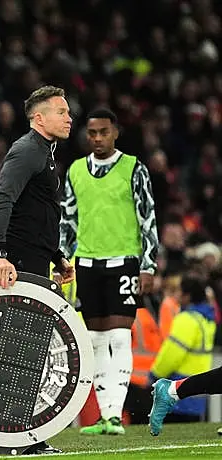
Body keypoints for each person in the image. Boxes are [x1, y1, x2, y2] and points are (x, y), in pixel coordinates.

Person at [58, 108, 160, 435]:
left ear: (115, 132)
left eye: (104, 132)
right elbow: (68, 221)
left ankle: (116, 413)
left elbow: (148, 218)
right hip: (87, 262)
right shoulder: (75, 170)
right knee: (95, 340)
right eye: (92, 133)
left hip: (124, 261)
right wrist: (63, 259)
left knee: (119, 335)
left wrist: (148, 264)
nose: (98, 138)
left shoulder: (134, 168)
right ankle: (105, 416)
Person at [0, 85, 74, 455]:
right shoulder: (26, 151)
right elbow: (3, 198)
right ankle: (16, 434)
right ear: (39, 118)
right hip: (19, 260)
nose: (69, 118)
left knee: (30, 348)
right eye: (60, 111)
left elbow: (34, 212)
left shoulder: (46, 153)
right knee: (21, 348)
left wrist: (57, 256)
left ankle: (21, 433)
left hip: (34, 257)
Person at [148, 274, 216, 436]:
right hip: (199, 393)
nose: (176, 295)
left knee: (171, 437)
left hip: (179, 386)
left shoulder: (186, 319)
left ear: (187, 295)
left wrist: (155, 374)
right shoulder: (207, 319)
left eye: (179, 291)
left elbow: (172, 354)